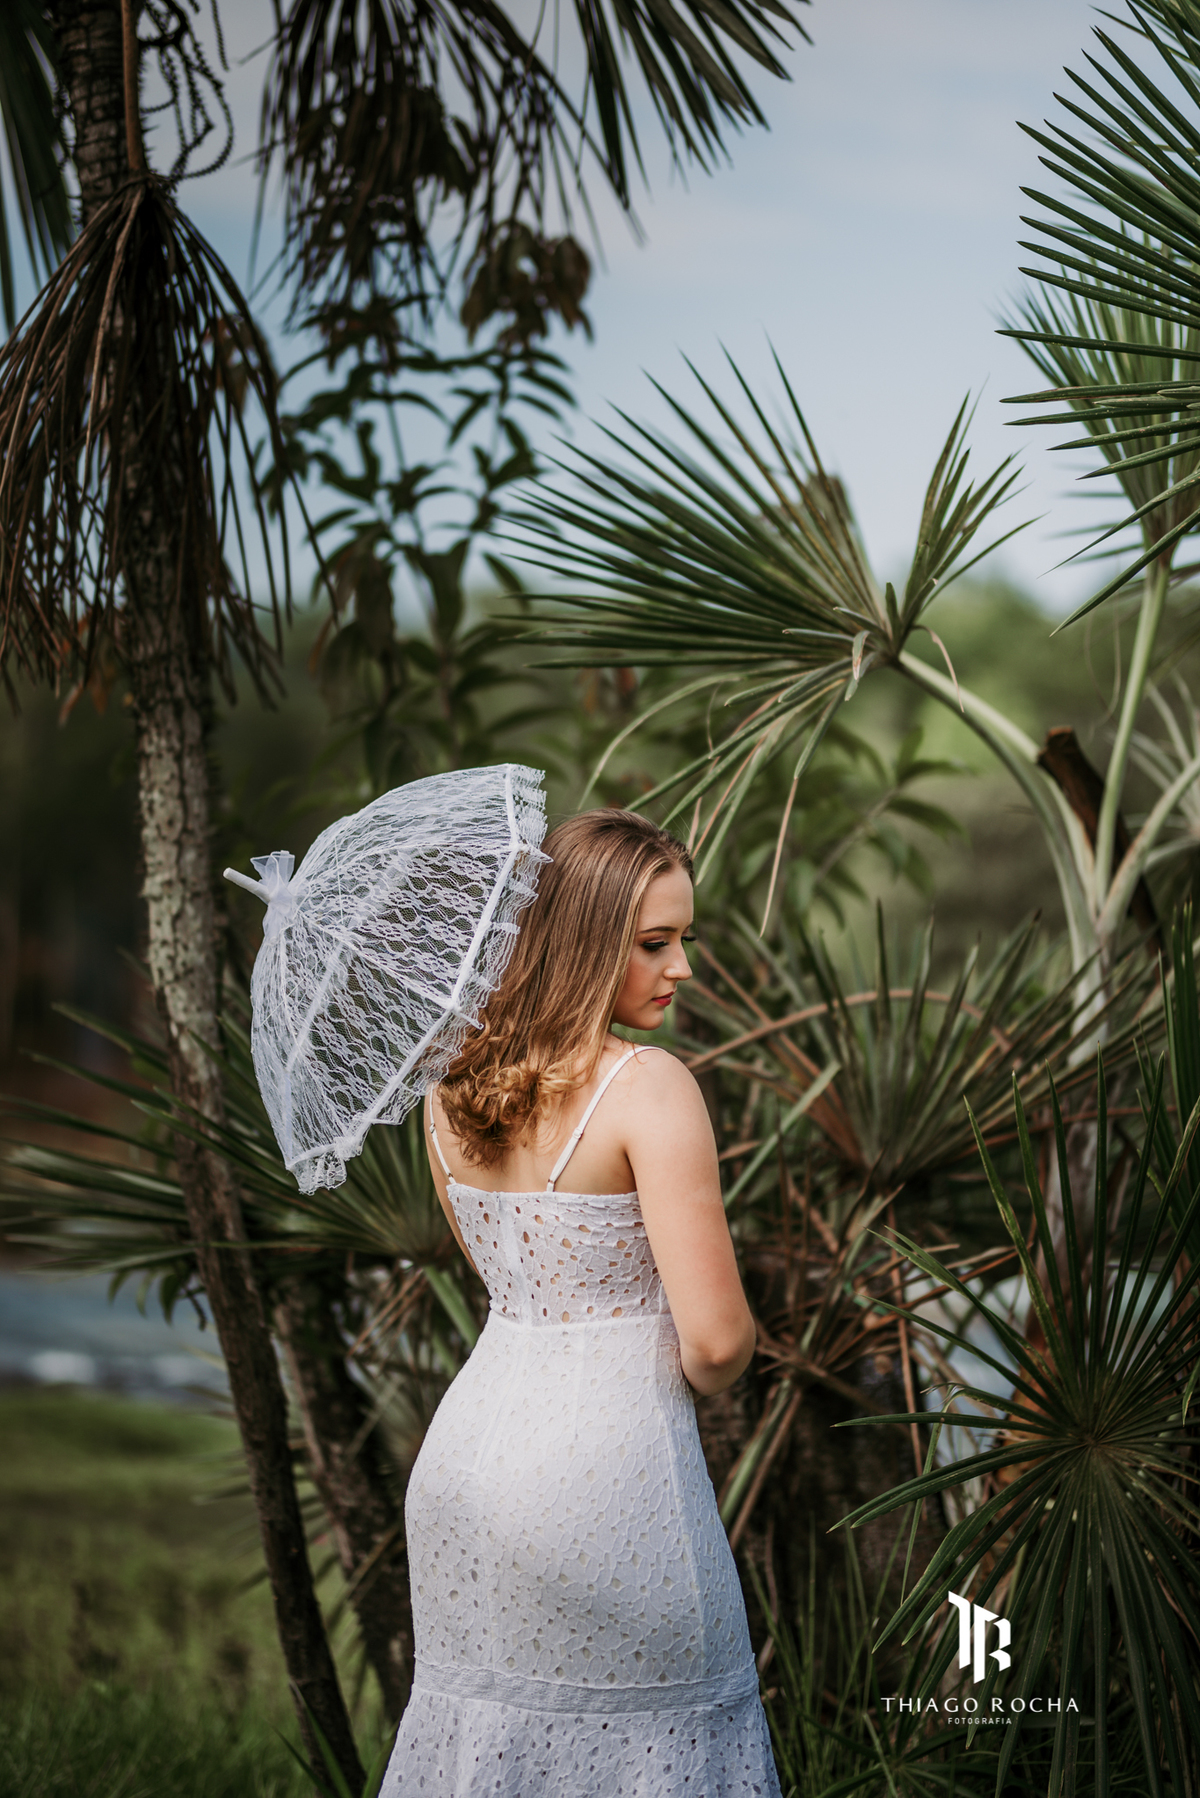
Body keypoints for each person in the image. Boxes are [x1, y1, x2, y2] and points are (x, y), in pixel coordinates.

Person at [380, 809, 780, 1797]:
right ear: (584, 941)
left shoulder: (449, 1087)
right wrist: (699, 1355)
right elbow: (717, 1343)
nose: (682, 966)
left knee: (490, 1750)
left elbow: (508, 1282)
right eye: (654, 943)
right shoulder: (650, 1087)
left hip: (464, 1470)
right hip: (609, 1483)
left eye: (684, 938)